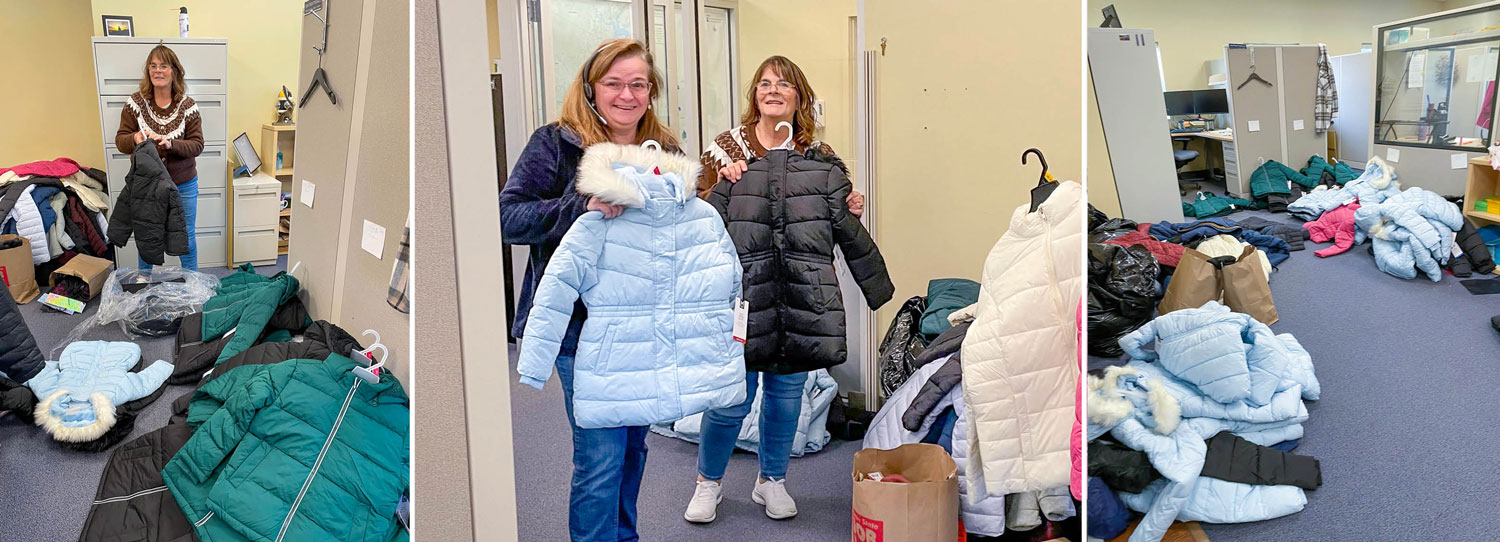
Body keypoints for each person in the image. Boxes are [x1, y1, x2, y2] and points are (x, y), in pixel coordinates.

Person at [499, 38, 678, 542]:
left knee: (633, 452)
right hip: (582, 328)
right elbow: (506, 218)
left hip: (646, 326)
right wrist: (578, 206)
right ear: (591, 88)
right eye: (614, 83)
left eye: (638, 84)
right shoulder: (555, 143)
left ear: (651, 90)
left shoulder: (664, 152)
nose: (627, 95)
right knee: (600, 456)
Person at [685, 55, 861, 524]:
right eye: (764, 83)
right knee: (730, 396)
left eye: (783, 84)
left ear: (798, 96)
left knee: (785, 395)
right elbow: (695, 213)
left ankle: (772, 481)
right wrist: (720, 186)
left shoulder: (818, 155)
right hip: (739, 294)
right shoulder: (725, 149)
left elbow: (840, 209)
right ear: (754, 95)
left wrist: (853, 204)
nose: (772, 90)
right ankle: (709, 483)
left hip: (796, 293)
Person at [114, 45, 204, 270]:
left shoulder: (188, 106)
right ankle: (144, 286)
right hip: (147, 186)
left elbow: (197, 145)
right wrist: (135, 137)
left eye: (163, 66)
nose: (158, 71)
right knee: (148, 237)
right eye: (153, 66)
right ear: (148, 71)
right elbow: (120, 140)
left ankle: (192, 286)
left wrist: (170, 144)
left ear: (174, 71)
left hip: (183, 184)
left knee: (186, 237)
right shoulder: (135, 103)